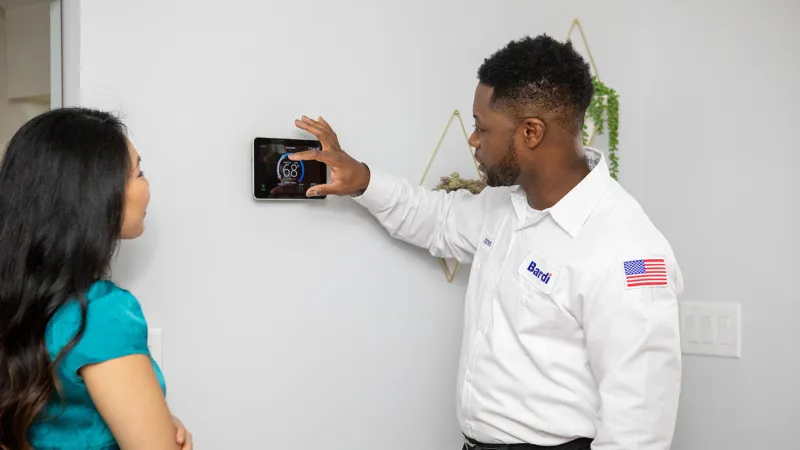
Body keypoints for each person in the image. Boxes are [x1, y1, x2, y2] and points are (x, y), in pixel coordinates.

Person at [291, 35, 682, 450]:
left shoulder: (627, 251)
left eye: (482, 128)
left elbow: (639, 426)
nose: (474, 141)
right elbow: (436, 218)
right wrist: (362, 180)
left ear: (531, 132)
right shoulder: (504, 207)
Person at [0, 108, 193, 450]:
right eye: (138, 172)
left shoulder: (19, 298)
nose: (146, 185)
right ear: (95, 194)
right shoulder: (101, 313)